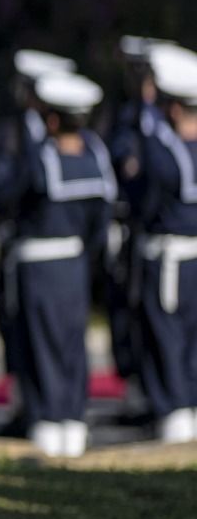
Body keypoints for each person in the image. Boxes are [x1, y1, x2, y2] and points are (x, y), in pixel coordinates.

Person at [0, 69, 114, 458]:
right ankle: (71, 423)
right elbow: (100, 221)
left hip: (39, 267)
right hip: (75, 264)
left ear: (52, 120)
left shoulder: (41, 158)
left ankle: (48, 426)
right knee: (71, 345)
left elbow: (0, 196)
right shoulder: (94, 156)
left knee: (39, 348)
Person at [0, 49, 77, 438]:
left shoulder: (71, 141)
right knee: (22, 336)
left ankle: (57, 417)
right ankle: (29, 410)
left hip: (57, 255)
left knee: (61, 338)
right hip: (23, 250)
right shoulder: (13, 133)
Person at [133, 43, 197, 444]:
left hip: (171, 259)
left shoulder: (164, 151)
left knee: (167, 342)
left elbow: (145, 199)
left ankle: (175, 418)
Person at [105, 35, 162, 424]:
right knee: (132, 309)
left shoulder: (167, 119)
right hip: (137, 228)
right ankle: (142, 390)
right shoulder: (128, 116)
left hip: (161, 233)